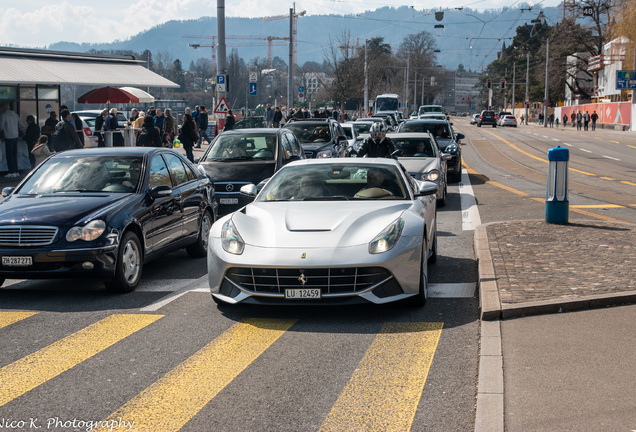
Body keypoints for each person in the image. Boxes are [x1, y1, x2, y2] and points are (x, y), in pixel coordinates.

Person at [0, 103, 24, 178]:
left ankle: (12, 171)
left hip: (8, 136)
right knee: (14, 154)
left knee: (9, 155)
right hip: (15, 136)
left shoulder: (4, 115)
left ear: (4, 108)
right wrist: (16, 129)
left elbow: (1, 126)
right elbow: (21, 124)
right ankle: (16, 171)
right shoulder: (15, 114)